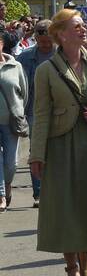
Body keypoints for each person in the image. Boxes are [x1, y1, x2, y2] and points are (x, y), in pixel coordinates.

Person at [29, 9, 87, 276]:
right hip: (60, 143)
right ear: (61, 34)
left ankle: (85, 252)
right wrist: (36, 155)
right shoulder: (45, 70)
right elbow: (40, 114)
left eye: (83, 24)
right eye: (76, 25)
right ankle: (71, 268)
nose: (83, 28)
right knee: (65, 205)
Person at [17, 18, 53, 206]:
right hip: (33, 111)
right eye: (42, 42)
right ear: (36, 39)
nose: (46, 46)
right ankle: (39, 193)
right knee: (37, 151)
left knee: (57, 150)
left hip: (58, 110)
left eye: (49, 42)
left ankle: (55, 189)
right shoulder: (24, 57)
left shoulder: (62, 55)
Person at [0, 32, 27, 212]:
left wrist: (18, 110)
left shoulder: (15, 65)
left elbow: (24, 93)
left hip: (10, 120)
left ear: (1, 44)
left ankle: (7, 184)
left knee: (12, 162)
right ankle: (1, 194)